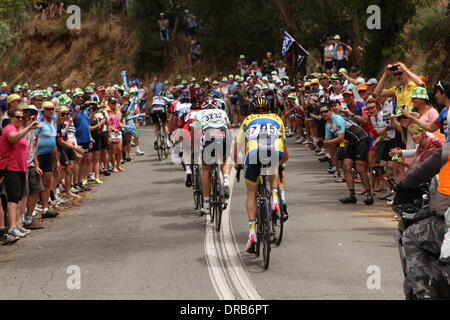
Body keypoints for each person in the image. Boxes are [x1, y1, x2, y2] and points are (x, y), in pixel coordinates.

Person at [232, 97, 289, 253]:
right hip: (274, 151)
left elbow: (238, 146)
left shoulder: (248, 120)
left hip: (254, 153)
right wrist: (282, 162)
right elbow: (284, 147)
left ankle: (252, 232)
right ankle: (276, 198)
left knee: (251, 192)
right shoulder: (277, 118)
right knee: (275, 169)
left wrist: (237, 164)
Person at [320, 103, 374, 205]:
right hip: (351, 142)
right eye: (321, 112)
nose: (323, 114)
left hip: (361, 139)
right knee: (346, 166)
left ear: (331, 111)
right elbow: (327, 140)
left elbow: (339, 138)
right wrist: (328, 145)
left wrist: (327, 143)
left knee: (359, 167)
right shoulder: (328, 124)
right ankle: (352, 195)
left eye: (325, 111)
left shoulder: (338, 119)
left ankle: (369, 194)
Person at [0, 109, 40, 239]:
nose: (21, 119)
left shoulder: (18, 130)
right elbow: (12, 139)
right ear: (11, 117)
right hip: (10, 168)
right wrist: (28, 128)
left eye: (22, 117)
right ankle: (11, 227)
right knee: (12, 199)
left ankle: (16, 224)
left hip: (20, 169)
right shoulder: (8, 128)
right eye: (18, 117)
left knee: (17, 198)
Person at [194, 100, 232, 220]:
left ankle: (205, 205)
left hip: (209, 135)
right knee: (225, 158)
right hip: (223, 132)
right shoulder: (222, 112)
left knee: (206, 168)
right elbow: (229, 128)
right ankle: (225, 178)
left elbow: (196, 132)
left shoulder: (200, 114)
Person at [35, 101, 60, 218]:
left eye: (52, 109)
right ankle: (34, 208)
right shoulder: (39, 124)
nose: (51, 111)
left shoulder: (52, 124)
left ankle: (45, 209)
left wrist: (57, 160)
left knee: (47, 182)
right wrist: (35, 161)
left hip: (49, 155)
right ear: (43, 111)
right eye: (48, 109)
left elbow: (54, 144)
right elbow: (33, 143)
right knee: (37, 184)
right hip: (39, 155)